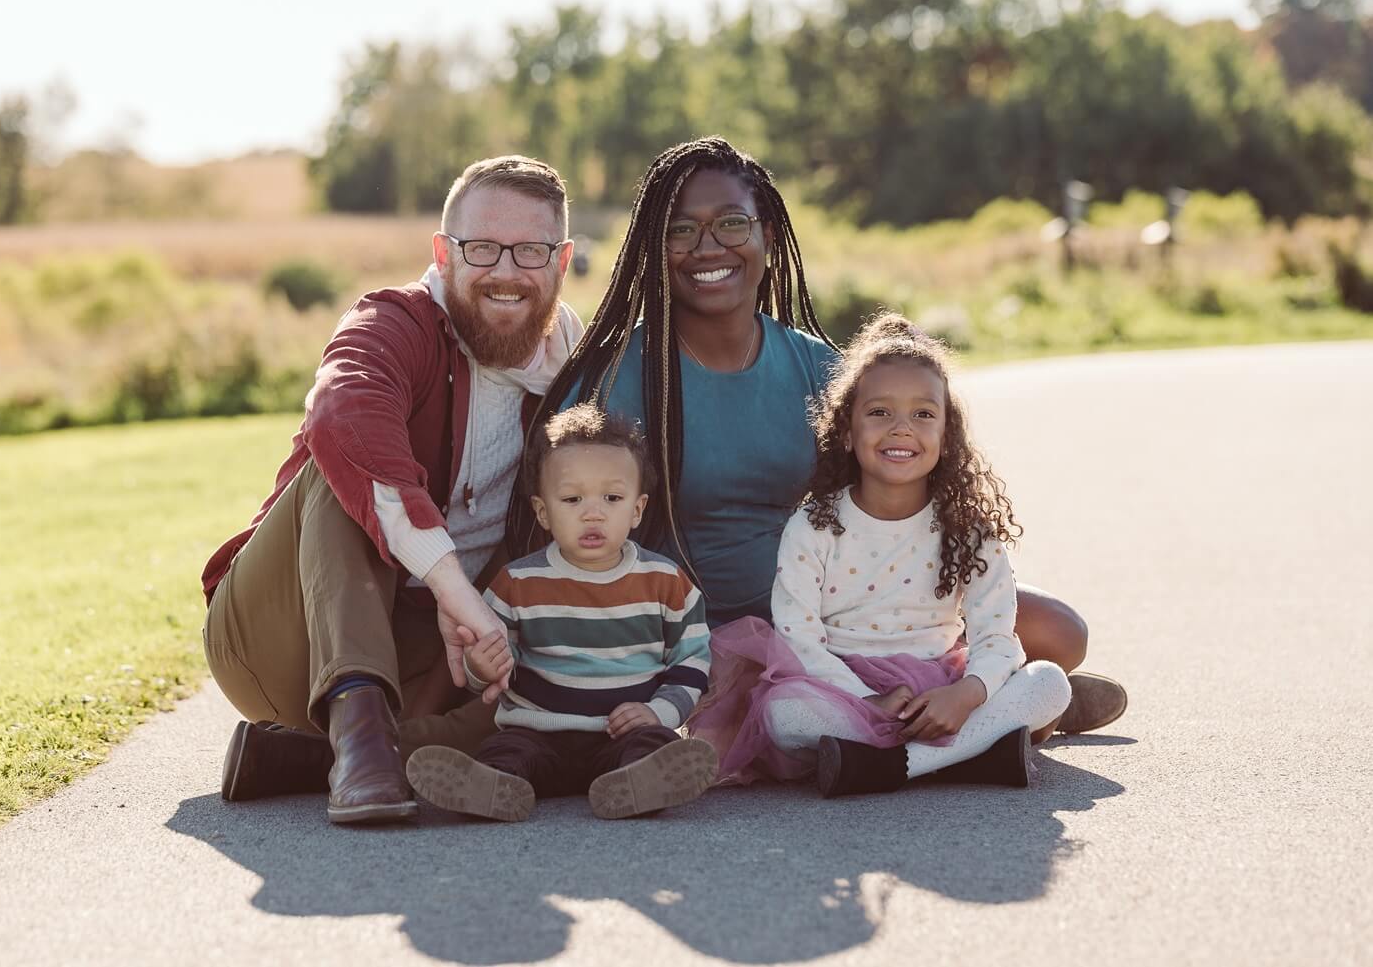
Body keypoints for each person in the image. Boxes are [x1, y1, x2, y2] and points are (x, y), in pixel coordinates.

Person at [506, 136, 1125, 737]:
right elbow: (554, 518)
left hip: (849, 612)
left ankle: (997, 699)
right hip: (694, 626)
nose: (706, 246)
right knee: (729, 708)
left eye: (730, 224)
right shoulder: (615, 375)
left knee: (1058, 630)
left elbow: (909, 484)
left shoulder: (818, 369)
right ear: (654, 249)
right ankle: (1016, 710)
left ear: (767, 237)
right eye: (681, 230)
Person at [201, 155, 585, 825]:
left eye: (530, 250)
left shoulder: (572, 362)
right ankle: (355, 732)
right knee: (344, 456)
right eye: (482, 248)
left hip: (430, 665)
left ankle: (312, 756)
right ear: (443, 252)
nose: (506, 270)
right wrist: (453, 588)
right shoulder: (396, 320)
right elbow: (340, 410)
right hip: (282, 632)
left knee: (573, 683)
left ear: (562, 259)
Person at [689, 314, 1072, 792]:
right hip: (842, 687)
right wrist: (868, 699)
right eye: (879, 413)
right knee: (784, 714)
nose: (901, 429)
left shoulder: (968, 530)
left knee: (1050, 683)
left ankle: (890, 765)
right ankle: (971, 754)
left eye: (923, 414)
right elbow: (798, 637)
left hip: (942, 686)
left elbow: (996, 636)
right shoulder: (814, 525)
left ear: (947, 436)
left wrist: (965, 695)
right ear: (847, 432)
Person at [405, 405, 717, 821]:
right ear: (543, 512)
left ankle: (638, 786)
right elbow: (492, 667)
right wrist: (481, 667)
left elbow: (692, 659)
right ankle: (493, 788)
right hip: (537, 732)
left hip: (622, 733)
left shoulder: (666, 581)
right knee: (506, 752)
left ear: (638, 509)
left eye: (612, 498)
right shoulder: (516, 583)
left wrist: (659, 712)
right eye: (572, 499)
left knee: (650, 746)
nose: (593, 512)